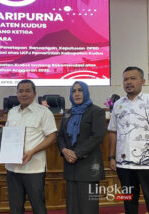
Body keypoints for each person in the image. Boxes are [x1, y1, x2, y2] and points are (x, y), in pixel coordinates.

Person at [5, 79, 57, 214]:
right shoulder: (12, 112)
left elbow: (52, 137)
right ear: (16, 94)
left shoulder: (44, 112)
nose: (24, 94)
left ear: (34, 94)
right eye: (20, 91)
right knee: (15, 208)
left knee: (38, 207)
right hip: (12, 168)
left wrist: (32, 151)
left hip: (33, 169)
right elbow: (9, 136)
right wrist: (1, 132)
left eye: (28, 91)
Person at [57, 81, 106, 214]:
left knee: (88, 208)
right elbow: (60, 136)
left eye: (80, 90)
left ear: (86, 92)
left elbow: (97, 136)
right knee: (72, 207)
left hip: (89, 168)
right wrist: (64, 150)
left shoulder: (97, 111)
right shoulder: (68, 113)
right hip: (71, 167)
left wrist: (76, 153)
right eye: (74, 91)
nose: (77, 93)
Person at [108, 66, 149, 213]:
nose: (128, 82)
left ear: (142, 81)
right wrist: (111, 156)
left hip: (146, 164)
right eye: (126, 79)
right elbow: (113, 131)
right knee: (129, 201)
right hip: (124, 164)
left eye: (133, 78)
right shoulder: (118, 104)